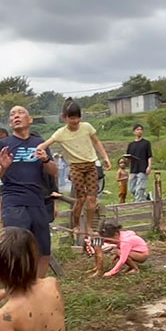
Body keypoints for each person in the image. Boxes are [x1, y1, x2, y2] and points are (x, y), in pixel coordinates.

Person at [0, 106, 59, 279]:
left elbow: (53, 171)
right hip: (14, 201)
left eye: (20, 113)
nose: (16, 116)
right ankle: (19, 288)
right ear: (10, 123)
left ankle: (38, 288)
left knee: (43, 251)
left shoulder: (40, 144)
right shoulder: (3, 145)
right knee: (16, 250)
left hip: (37, 201)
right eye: (12, 114)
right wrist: (3, 167)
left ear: (30, 119)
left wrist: (45, 159)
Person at [35, 100, 112, 240]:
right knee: (81, 198)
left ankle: (89, 226)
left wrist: (105, 157)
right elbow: (44, 144)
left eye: (77, 117)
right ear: (64, 117)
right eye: (71, 117)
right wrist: (38, 150)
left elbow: (97, 142)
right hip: (76, 167)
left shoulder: (87, 127)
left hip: (90, 165)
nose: (75, 120)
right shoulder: (60, 133)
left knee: (92, 198)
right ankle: (76, 224)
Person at [126, 123, 153, 202]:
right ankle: (146, 196)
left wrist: (149, 166)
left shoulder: (146, 143)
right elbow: (128, 156)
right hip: (133, 168)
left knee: (140, 187)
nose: (139, 131)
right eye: (138, 130)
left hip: (143, 167)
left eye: (141, 130)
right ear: (134, 132)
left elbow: (149, 156)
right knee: (131, 188)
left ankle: (138, 202)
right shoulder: (131, 145)